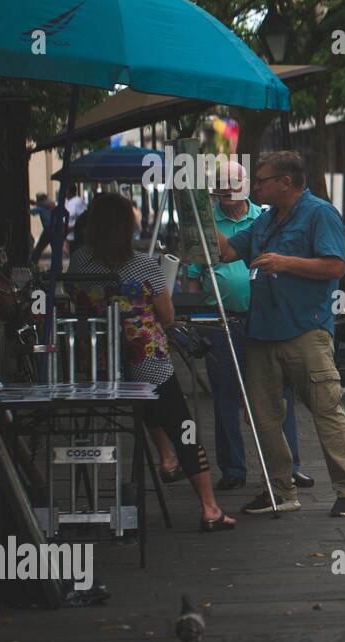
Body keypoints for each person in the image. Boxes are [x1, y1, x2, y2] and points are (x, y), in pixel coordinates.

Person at [213, 150, 345, 519]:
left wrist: (286, 263)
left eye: (263, 179)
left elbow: (336, 264)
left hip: (305, 330)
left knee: (325, 409)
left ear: (285, 181)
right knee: (263, 416)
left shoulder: (319, 213)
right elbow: (228, 250)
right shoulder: (266, 221)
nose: (258, 186)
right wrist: (202, 214)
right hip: (263, 331)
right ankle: (280, 488)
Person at [70, 193, 233, 531]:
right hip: (148, 362)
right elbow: (168, 315)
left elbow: (76, 300)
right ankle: (209, 507)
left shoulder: (80, 262)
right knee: (184, 428)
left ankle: (97, 501)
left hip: (99, 362)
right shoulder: (144, 266)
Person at [184, 160, 309, 493]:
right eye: (220, 183)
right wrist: (199, 316)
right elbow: (193, 276)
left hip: (265, 319)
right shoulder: (209, 223)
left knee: (278, 395)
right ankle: (234, 468)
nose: (226, 189)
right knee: (224, 396)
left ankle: (290, 466)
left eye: (232, 182)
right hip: (221, 319)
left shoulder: (266, 218)